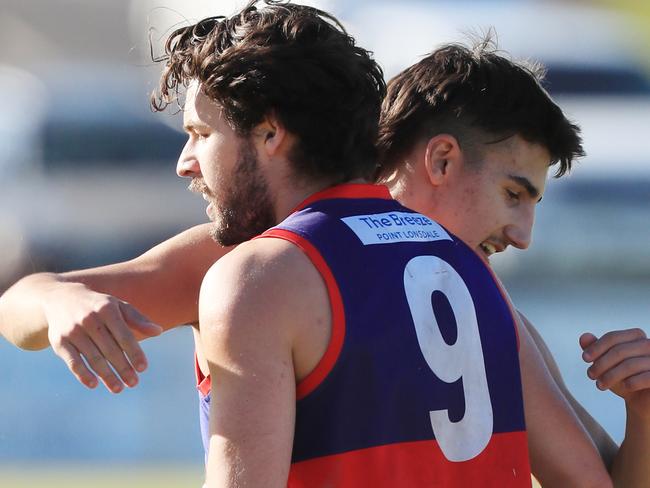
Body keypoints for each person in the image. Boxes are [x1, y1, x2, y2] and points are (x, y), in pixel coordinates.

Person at [0, 2, 625, 486]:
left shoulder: (253, 272)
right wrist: (59, 302)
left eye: (199, 133)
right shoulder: (468, 271)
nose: (185, 162)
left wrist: (55, 300)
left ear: (271, 132)